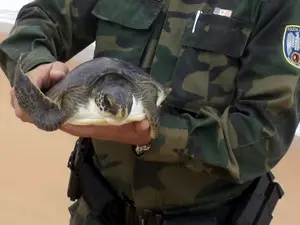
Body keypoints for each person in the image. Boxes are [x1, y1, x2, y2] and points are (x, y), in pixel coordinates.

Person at [0, 0, 299, 224]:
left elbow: (264, 134)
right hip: (97, 210)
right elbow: (43, 18)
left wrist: (156, 134)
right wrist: (33, 66)